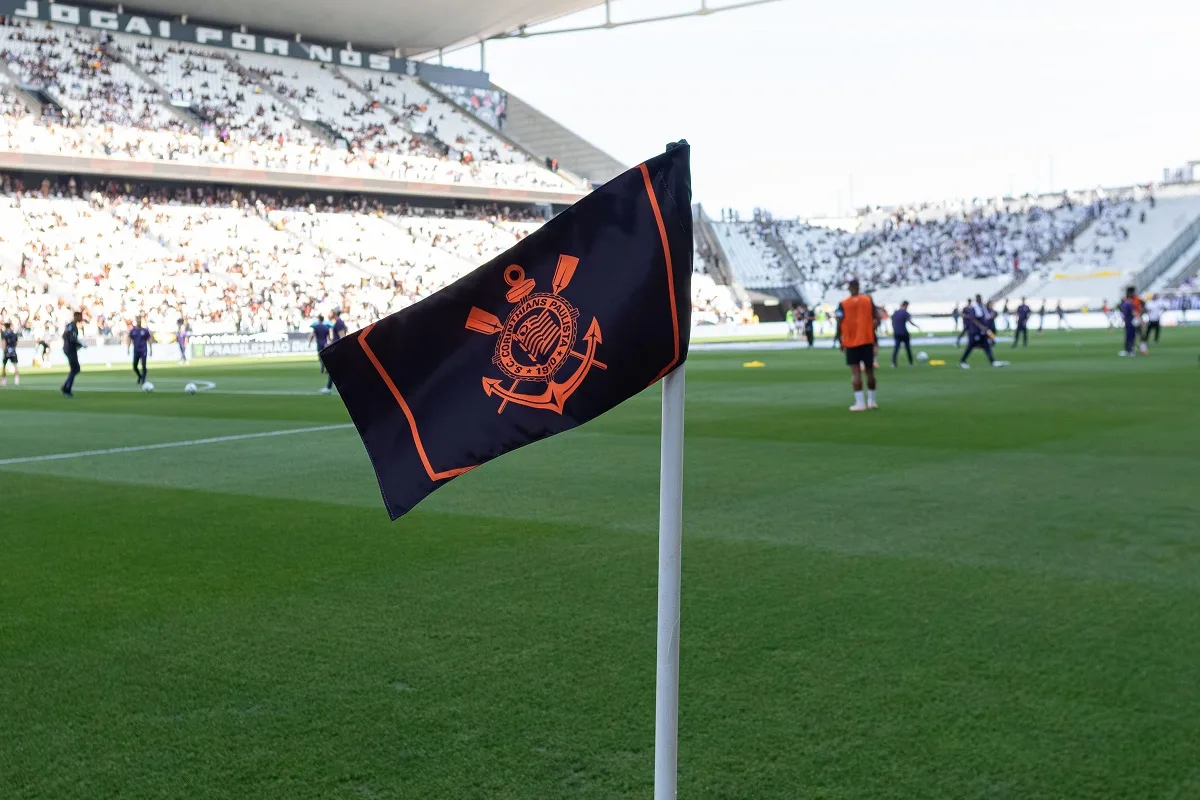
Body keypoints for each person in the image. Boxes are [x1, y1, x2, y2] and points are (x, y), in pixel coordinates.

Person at [835, 279, 879, 411]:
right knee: (870, 372)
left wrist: (839, 340)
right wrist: (873, 336)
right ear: (859, 287)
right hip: (867, 340)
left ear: (849, 288)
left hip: (851, 342)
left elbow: (839, 322)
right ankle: (872, 401)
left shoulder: (843, 304)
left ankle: (860, 403)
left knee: (855, 373)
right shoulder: (868, 301)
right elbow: (876, 318)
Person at [960, 295, 1008, 369]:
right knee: (970, 346)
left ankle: (992, 361)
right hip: (974, 331)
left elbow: (986, 317)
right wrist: (981, 326)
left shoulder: (982, 307)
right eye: (979, 299)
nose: (981, 300)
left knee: (986, 346)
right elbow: (973, 319)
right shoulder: (974, 308)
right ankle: (962, 361)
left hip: (982, 331)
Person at [320, 310, 348, 394]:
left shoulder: (339, 322)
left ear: (335, 313)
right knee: (336, 369)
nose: (330, 314)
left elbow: (342, 336)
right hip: (337, 347)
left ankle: (329, 387)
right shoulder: (338, 322)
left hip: (338, 349)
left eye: (331, 312)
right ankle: (329, 387)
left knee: (333, 368)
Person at [62, 311, 85, 397]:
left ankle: (65, 387)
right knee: (75, 369)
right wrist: (81, 344)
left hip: (68, 349)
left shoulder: (69, 326)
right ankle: (67, 389)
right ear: (76, 316)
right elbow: (72, 339)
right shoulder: (73, 326)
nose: (81, 318)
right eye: (80, 316)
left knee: (75, 369)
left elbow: (64, 336)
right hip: (71, 350)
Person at [890, 301, 920, 367]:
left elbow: (892, 322)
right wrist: (916, 326)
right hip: (904, 333)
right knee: (908, 348)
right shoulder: (906, 313)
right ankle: (911, 363)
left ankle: (893, 363)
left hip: (896, 333)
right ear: (905, 305)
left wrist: (894, 329)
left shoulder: (895, 313)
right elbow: (909, 321)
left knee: (896, 349)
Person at [128, 316, 153, 385]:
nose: (138, 322)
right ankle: (140, 376)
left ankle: (143, 379)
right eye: (137, 320)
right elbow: (129, 338)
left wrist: (151, 349)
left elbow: (149, 339)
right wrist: (128, 348)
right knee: (134, 366)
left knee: (143, 365)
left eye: (139, 320)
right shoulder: (133, 331)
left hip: (143, 350)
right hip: (136, 350)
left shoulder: (145, 330)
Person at [1118, 286, 1140, 357]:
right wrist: (1140, 320)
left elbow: (1121, 311)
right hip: (1131, 322)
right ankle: (1131, 350)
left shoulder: (1123, 303)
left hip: (1127, 322)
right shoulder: (1130, 303)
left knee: (1127, 336)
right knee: (1131, 337)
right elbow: (1134, 312)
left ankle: (1127, 350)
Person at [1, 321, 19, 386]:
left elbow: (4, 342)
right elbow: (17, 342)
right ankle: (16, 380)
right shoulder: (14, 333)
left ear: (5, 327)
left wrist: (4, 351)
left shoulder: (4, 333)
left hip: (7, 351)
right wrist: (13, 348)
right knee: (15, 365)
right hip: (13, 351)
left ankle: (4, 380)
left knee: (4, 366)